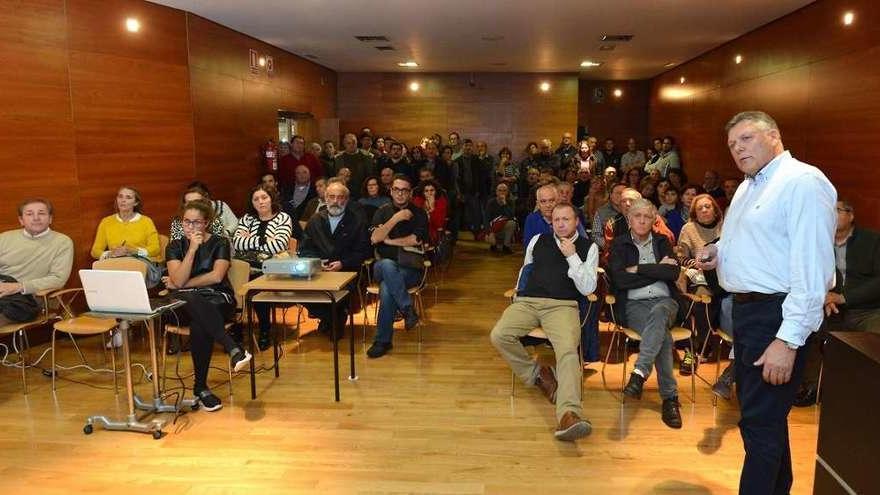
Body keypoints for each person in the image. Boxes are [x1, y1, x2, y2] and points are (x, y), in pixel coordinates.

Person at [696, 111, 836, 495]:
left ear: (774, 135)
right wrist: (718, 252)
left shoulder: (803, 183)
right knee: (766, 420)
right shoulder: (748, 186)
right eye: (732, 144)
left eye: (746, 139)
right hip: (748, 312)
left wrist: (787, 340)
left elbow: (813, 272)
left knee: (758, 423)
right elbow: (751, 241)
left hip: (778, 315)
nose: (738, 149)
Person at [490, 203, 599, 441]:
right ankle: (538, 374)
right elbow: (526, 269)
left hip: (562, 305)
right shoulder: (538, 240)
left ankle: (569, 414)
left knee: (568, 351)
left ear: (576, 221)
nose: (560, 224)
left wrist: (572, 257)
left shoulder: (588, 247)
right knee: (499, 335)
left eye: (566, 219)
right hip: (528, 301)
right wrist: (519, 293)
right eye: (557, 220)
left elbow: (589, 287)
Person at [163, 199, 252, 412]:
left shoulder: (220, 242)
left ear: (206, 223)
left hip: (217, 299)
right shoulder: (174, 246)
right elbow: (178, 279)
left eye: (196, 222)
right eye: (186, 222)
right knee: (191, 301)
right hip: (184, 304)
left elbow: (216, 276)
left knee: (198, 320)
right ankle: (231, 347)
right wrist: (192, 250)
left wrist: (181, 284)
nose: (191, 227)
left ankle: (201, 388)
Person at [795, 199, 880, 406]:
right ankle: (812, 388)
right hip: (831, 309)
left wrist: (844, 297)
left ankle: (870, 393)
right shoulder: (818, 243)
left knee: (875, 337)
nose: (832, 215)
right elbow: (807, 275)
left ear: (851, 216)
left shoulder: (872, 240)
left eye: (838, 210)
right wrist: (824, 296)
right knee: (808, 330)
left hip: (867, 309)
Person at [608, 198, 683, 429]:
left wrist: (639, 269)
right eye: (637, 216)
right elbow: (620, 279)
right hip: (634, 306)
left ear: (654, 220)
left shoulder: (662, 241)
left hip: (665, 301)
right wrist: (657, 270)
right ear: (629, 220)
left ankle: (640, 373)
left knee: (660, 311)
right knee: (662, 337)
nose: (642, 221)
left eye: (646, 217)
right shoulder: (620, 244)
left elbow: (672, 272)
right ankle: (670, 398)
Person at [366, 174, 429, 359]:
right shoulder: (382, 211)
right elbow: (375, 238)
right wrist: (397, 218)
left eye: (405, 190)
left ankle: (383, 340)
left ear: (410, 193)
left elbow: (416, 239)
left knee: (387, 288)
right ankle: (408, 310)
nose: (400, 194)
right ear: (391, 190)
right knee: (386, 264)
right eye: (397, 189)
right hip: (381, 267)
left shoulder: (419, 213)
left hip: (410, 268)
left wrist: (391, 241)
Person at [299, 182, 372, 340]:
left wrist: (342, 263)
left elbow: (364, 251)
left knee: (338, 298)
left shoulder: (357, 222)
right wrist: (317, 263)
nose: (335, 201)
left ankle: (334, 317)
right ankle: (330, 317)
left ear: (346, 200)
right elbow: (305, 249)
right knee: (300, 292)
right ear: (325, 199)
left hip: (346, 271)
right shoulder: (315, 220)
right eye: (331, 197)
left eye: (340, 197)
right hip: (318, 271)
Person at [232, 185, 295, 350]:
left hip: (271, 268)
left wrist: (251, 239)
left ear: (271, 198)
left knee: (255, 285)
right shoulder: (247, 218)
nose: (261, 202)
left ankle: (265, 329)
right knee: (231, 281)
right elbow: (237, 243)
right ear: (252, 203)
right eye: (256, 199)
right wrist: (265, 240)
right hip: (245, 266)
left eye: (264, 197)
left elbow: (280, 244)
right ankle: (236, 329)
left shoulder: (283, 218)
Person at [0, 198, 73, 326]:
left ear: (50, 219)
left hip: (30, 299)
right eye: (29, 214)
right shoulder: (4, 238)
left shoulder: (62, 242)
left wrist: (20, 287)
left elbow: (58, 279)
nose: (36, 218)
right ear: (21, 220)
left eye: (41, 213)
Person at [90, 186, 160, 261]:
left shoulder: (146, 221)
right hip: (115, 262)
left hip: (139, 262)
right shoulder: (106, 222)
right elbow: (95, 251)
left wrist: (133, 251)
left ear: (136, 203)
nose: (123, 200)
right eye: (120, 196)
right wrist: (111, 254)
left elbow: (155, 249)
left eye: (128, 197)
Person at [334, 133, 375, 199]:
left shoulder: (367, 157)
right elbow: (335, 176)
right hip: (344, 192)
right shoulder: (338, 158)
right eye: (348, 143)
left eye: (354, 142)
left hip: (362, 192)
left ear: (357, 142)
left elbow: (370, 175)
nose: (351, 145)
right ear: (344, 144)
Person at [411, 179, 448, 246]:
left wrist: (432, 208)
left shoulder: (441, 202)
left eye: (432, 190)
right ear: (422, 192)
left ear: (436, 191)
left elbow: (439, 224)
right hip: (418, 231)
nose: (429, 193)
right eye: (426, 191)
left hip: (433, 232)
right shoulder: (417, 201)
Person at [484, 183, 517, 254]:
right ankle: (493, 245)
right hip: (493, 229)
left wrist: (504, 204)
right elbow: (486, 219)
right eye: (500, 190)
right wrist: (488, 232)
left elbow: (511, 216)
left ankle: (506, 246)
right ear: (496, 192)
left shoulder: (510, 202)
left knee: (512, 223)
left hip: (504, 228)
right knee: (489, 238)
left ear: (507, 192)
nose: (502, 192)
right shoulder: (491, 202)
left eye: (504, 190)